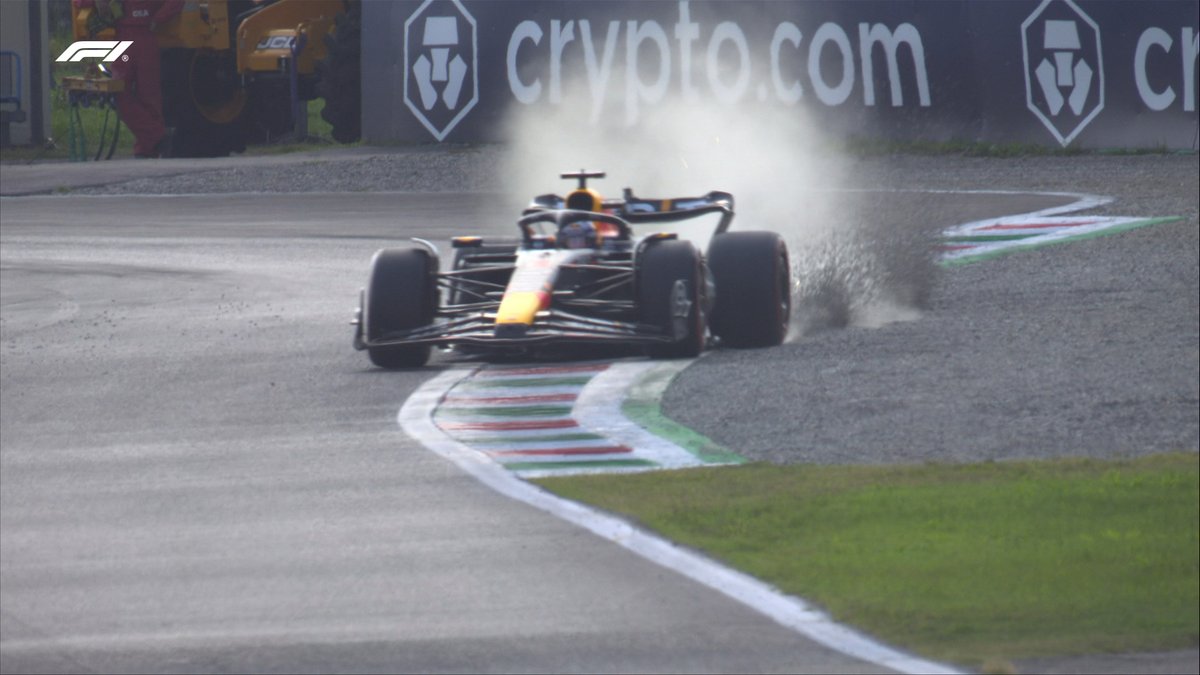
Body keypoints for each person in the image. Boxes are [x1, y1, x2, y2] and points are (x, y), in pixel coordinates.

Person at [75, 0, 183, 158]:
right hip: (126, 36)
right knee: (119, 91)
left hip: (144, 35)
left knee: (149, 96)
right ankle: (157, 138)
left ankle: (148, 147)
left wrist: (158, 19)